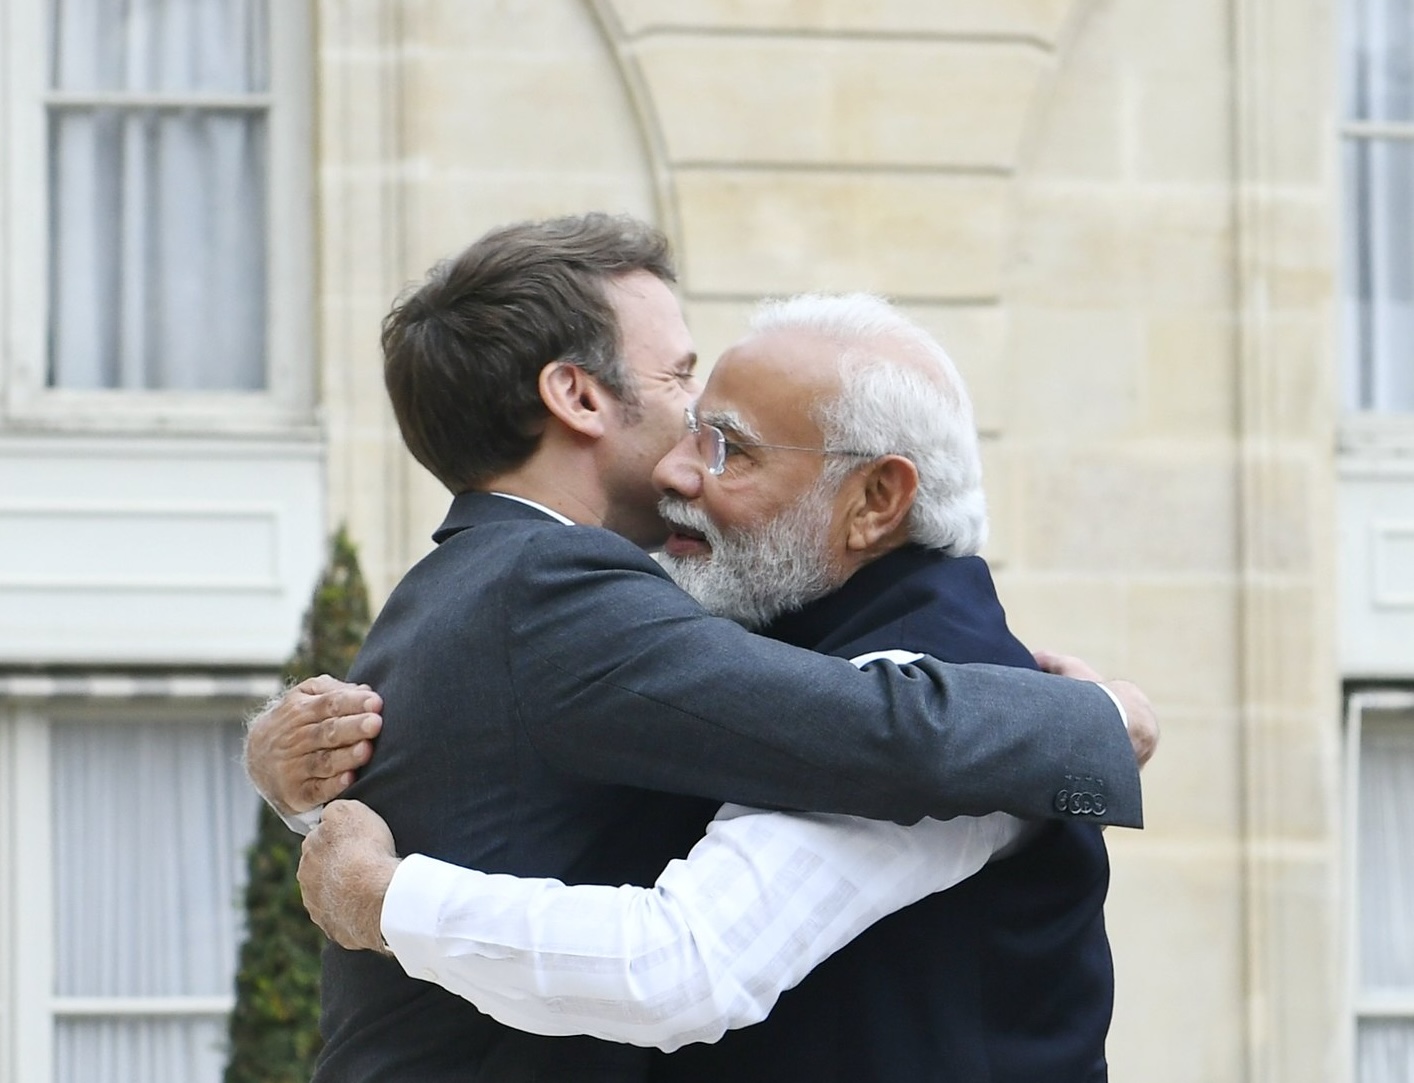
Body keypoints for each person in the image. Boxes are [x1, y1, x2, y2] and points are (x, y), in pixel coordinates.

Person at [242, 214, 1153, 1081]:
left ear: (876, 499)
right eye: (684, 387)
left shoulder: (464, 586)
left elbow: (685, 948)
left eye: (729, 448)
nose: (686, 460)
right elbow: (878, 734)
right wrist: (1095, 717)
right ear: (576, 395)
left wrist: (369, 880)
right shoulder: (556, 590)